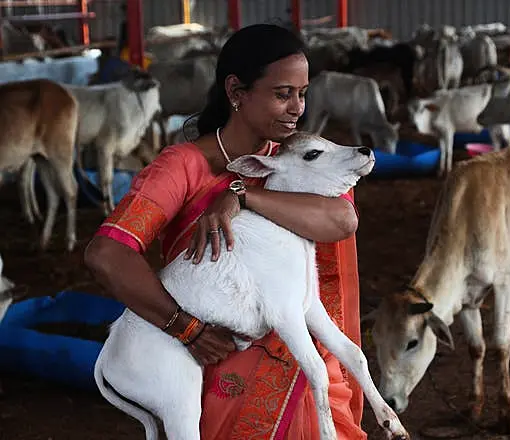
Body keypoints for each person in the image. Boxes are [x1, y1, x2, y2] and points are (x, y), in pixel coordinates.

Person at [84, 23, 367, 439]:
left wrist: (242, 197)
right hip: (217, 361)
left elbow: (341, 221)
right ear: (236, 92)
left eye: (302, 94)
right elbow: (106, 254)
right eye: (282, 93)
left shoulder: (298, 158)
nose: (297, 109)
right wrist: (185, 327)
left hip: (300, 365)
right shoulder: (182, 167)